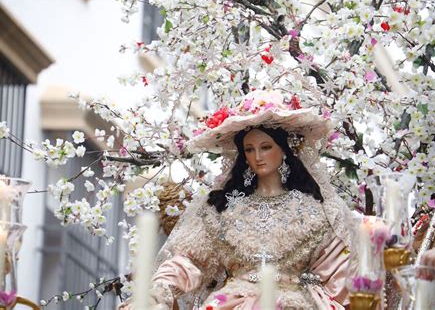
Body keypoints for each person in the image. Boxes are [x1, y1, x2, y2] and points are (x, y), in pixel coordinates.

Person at [119, 90, 355, 309]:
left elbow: (338, 270)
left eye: (265, 147)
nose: (258, 157)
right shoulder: (224, 209)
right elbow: (189, 261)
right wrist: (157, 292)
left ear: (284, 149)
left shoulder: (315, 208)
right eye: (249, 150)